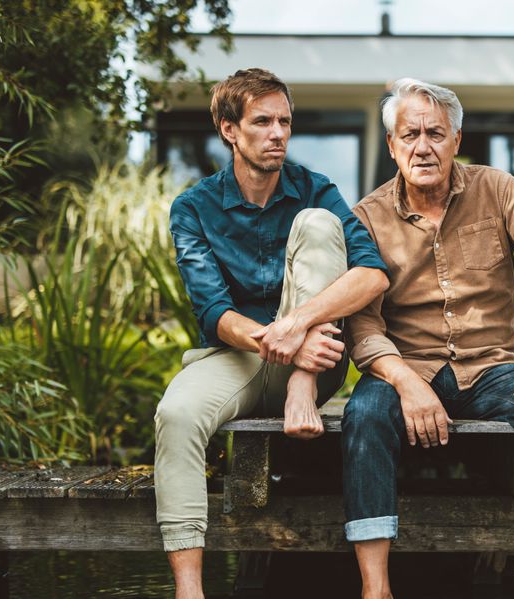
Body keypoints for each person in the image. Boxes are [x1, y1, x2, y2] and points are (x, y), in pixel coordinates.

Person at [342, 78, 514, 599]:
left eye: (436, 133)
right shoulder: (367, 217)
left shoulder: (498, 190)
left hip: (491, 370)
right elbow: (363, 325)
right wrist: (406, 383)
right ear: (392, 145)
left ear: (456, 139)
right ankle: (377, 589)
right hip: (405, 369)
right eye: (410, 135)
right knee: (364, 413)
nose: (423, 147)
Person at [154, 68, 388, 599]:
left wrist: (298, 332)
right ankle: (189, 590)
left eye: (285, 121)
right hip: (235, 356)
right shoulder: (193, 207)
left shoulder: (315, 189)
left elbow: (372, 275)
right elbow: (214, 311)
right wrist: (274, 341)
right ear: (229, 130)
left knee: (319, 224)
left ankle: (302, 384)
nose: (278, 133)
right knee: (177, 414)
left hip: (314, 363)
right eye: (262, 122)